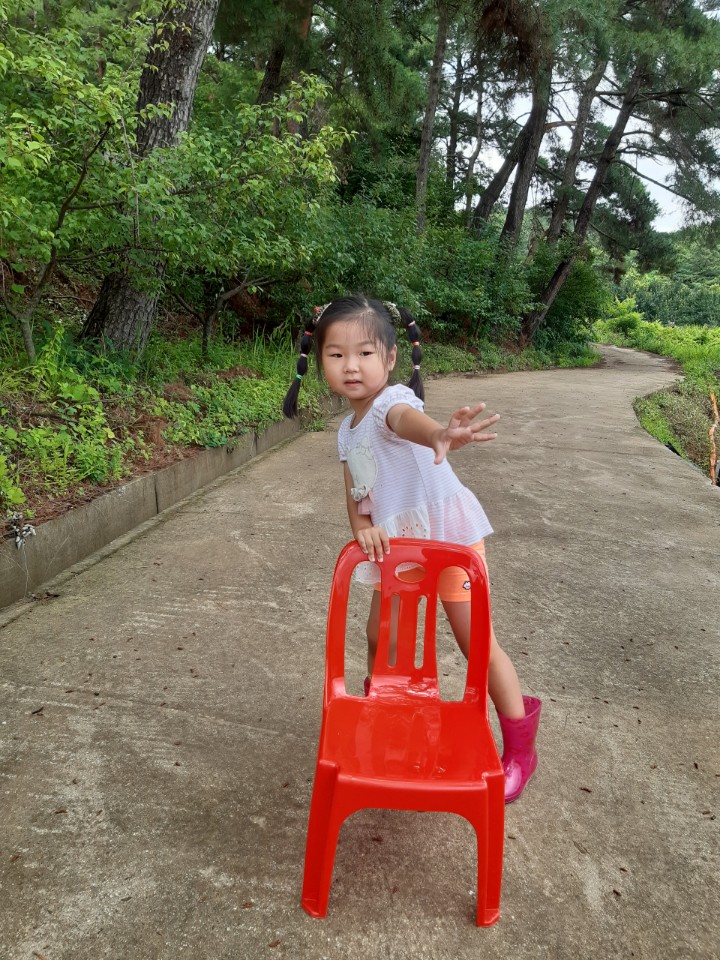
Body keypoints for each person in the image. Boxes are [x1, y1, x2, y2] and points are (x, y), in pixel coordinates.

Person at [283, 295, 541, 803]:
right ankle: (387, 710)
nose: (351, 366)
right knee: (381, 638)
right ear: (319, 361)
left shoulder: (390, 403)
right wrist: (361, 527)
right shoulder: (346, 431)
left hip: (449, 540)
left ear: (391, 358)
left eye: (365, 353)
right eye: (336, 355)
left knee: (477, 645)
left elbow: (406, 422)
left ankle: (520, 748)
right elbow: (356, 491)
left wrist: (440, 433)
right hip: (400, 550)